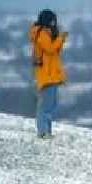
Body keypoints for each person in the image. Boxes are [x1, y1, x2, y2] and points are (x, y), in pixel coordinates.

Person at [29, 9, 68, 138]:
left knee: (50, 105)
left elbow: (55, 51)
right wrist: (61, 38)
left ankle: (47, 131)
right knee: (45, 106)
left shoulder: (46, 33)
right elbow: (50, 49)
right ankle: (43, 131)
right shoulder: (41, 33)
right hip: (47, 75)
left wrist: (58, 38)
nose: (54, 23)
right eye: (52, 21)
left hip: (51, 75)